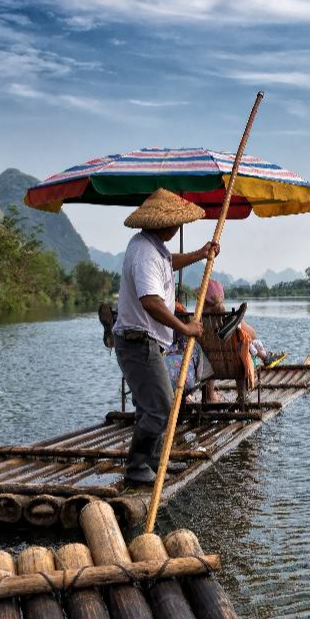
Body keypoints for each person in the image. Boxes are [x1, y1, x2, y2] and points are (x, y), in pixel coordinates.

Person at [112, 189, 220, 485]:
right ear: (165, 224)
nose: (178, 228)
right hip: (138, 340)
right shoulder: (145, 253)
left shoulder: (151, 245)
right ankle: (136, 469)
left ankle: (155, 464)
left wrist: (200, 254)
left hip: (147, 341)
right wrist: (185, 329)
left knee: (152, 405)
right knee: (161, 405)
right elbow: (151, 302)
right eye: (177, 224)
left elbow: (169, 262)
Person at [201, 280, 286, 403]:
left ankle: (208, 396)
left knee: (208, 354)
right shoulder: (232, 321)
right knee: (243, 349)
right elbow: (253, 334)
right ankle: (242, 396)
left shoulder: (197, 322)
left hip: (207, 367)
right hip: (234, 366)